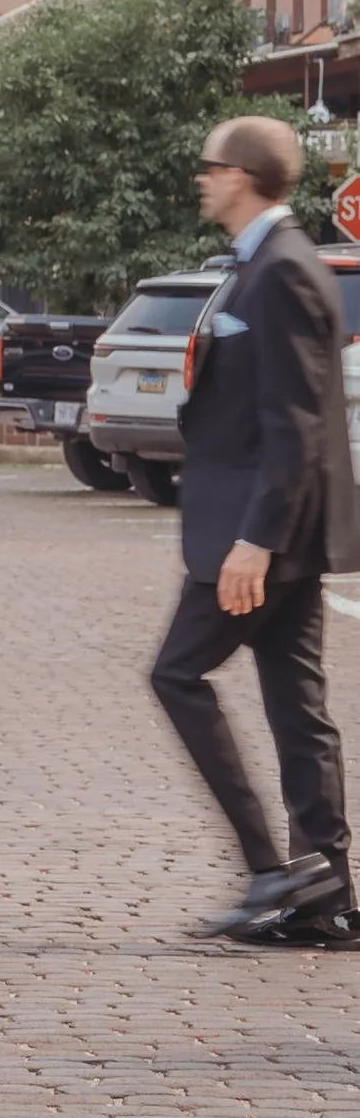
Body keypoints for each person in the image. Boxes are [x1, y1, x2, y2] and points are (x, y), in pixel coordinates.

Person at [150, 115, 360, 946]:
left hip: (259, 536)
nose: (202, 178)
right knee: (296, 706)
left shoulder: (281, 271)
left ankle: (275, 870)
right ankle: (329, 894)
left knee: (177, 675)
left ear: (241, 175)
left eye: (209, 166)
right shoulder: (261, 264)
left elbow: (298, 423)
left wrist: (256, 541)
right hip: (273, 533)